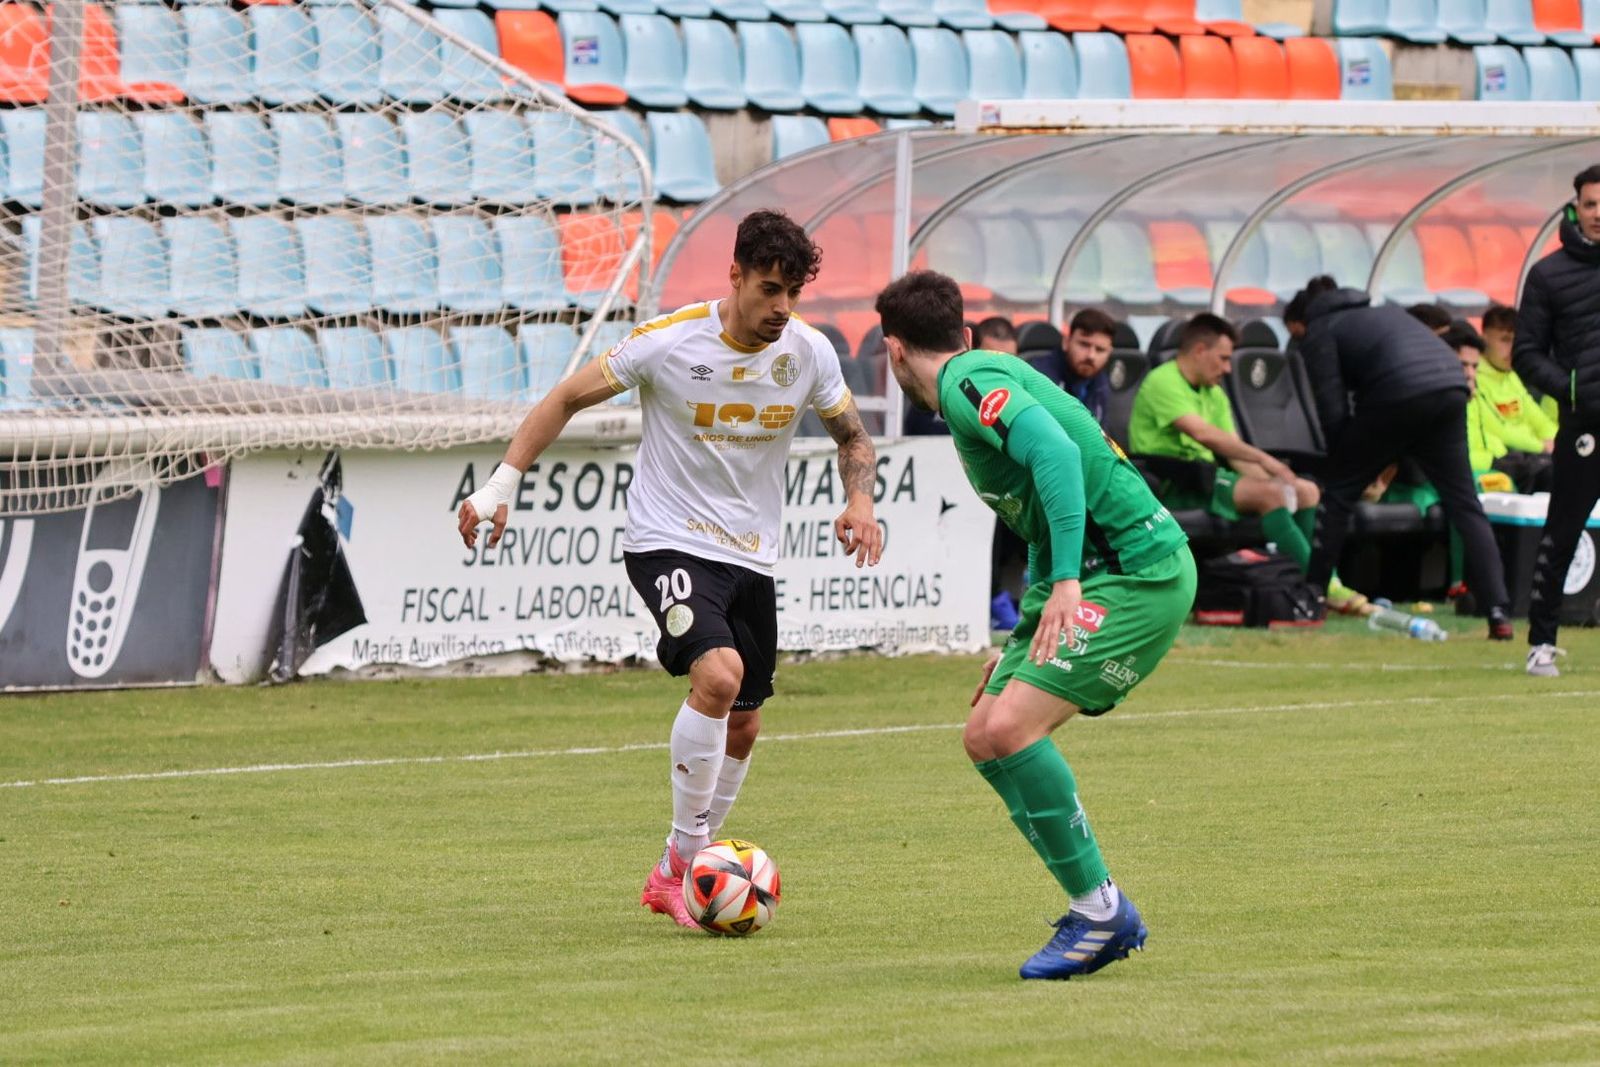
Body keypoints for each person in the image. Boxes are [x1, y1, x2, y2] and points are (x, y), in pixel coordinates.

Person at [457, 209, 885, 925]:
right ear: (736, 275)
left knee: (744, 726)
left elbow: (852, 434)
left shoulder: (808, 352)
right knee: (719, 676)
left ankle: (672, 868)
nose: (782, 307)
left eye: (794, 294)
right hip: (667, 541)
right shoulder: (667, 342)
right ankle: (691, 862)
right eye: (770, 288)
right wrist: (501, 484)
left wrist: (860, 500)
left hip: (752, 556)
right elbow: (565, 397)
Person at [875, 269, 1195, 981]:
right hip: (1102, 572)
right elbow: (1041, 520)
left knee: (1012, 727)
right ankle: (1095, 907)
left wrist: (1073, 580)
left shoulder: (964, 385)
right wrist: (1021, 638)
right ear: (959, 330)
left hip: (1139, 574)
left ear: (892, 350)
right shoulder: (979, 374)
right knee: (984, 733)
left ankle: (1101, 909)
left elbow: (1052, 453)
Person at [1284, 275, 1513, 640]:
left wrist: (1347, 464)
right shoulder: (1384, 312)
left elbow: (1331, 406)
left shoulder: (1321, 330)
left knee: (1338, 495)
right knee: (1466, 505)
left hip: (1399, 392)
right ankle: (1499, 611)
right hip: (1450, 388)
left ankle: (1313, 596)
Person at [1127, 314, 1328, 586]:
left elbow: (1234, 451)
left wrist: (1280, 479)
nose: (1228, 368)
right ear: (1200, 351)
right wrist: (1268, 464)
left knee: (1306, 491)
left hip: (1207, 478)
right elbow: (1204, 434)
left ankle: (1317, 581)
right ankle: (1319, 585)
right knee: (1271, 495)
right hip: (1173, 481)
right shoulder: (1162, 380)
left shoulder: (1215, 393)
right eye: (1223, 358)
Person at [1512, 165, 1600, 676]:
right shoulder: (1547, 275)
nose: (1597, 214)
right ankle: (1541, 642)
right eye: (1590, 205)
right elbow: (1526, 352)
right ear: (1575, 209)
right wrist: (1570, 388)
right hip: (1584, 425)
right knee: (1563, 530)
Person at [1477, 304, 1556, 493]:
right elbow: (1497, 429)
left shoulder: (1511, 377)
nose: (1512, 348)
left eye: (1515, 340)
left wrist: (1556, 441)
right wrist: (1541, 446)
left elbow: (1539, 419)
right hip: (1502, 458)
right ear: (1484, 339)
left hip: (1530, 455)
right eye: (1504, 340)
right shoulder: (1474, 376)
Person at [1028, 308, 1117, 425]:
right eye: (1084, 344)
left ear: (1109, 353)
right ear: (1066, 342)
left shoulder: (1101, 383)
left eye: (1100, 350)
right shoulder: (1039, 377)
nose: (1091, 356)